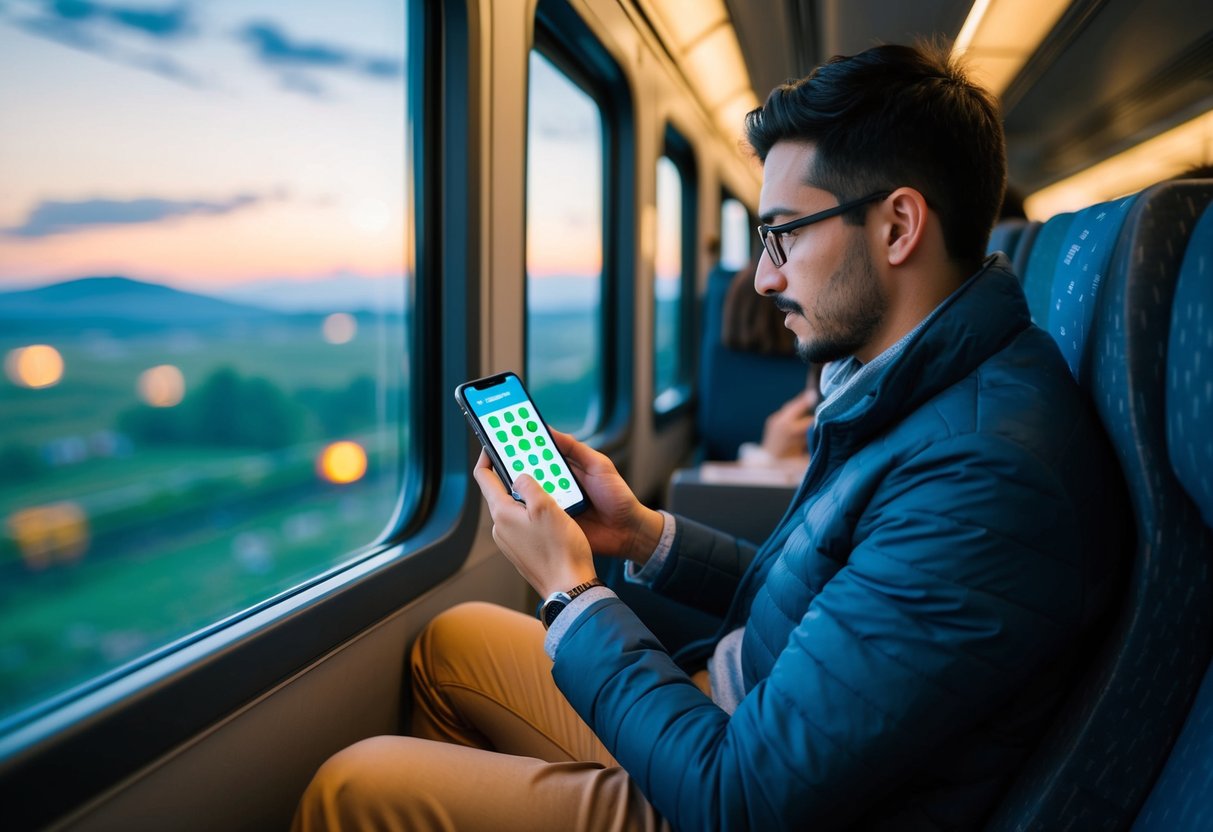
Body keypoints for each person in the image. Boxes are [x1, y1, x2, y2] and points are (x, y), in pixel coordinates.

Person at [294, 42, 1130, 831]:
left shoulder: (981, 480)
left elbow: (740, 800)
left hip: (729, 784)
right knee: (453, 641)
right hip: (739, 708)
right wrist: (639, 534)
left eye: (782, 234)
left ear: (898, 226)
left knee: (356, 786)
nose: (763, 277)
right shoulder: (913, 384)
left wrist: (569, 592)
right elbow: (820, 594)